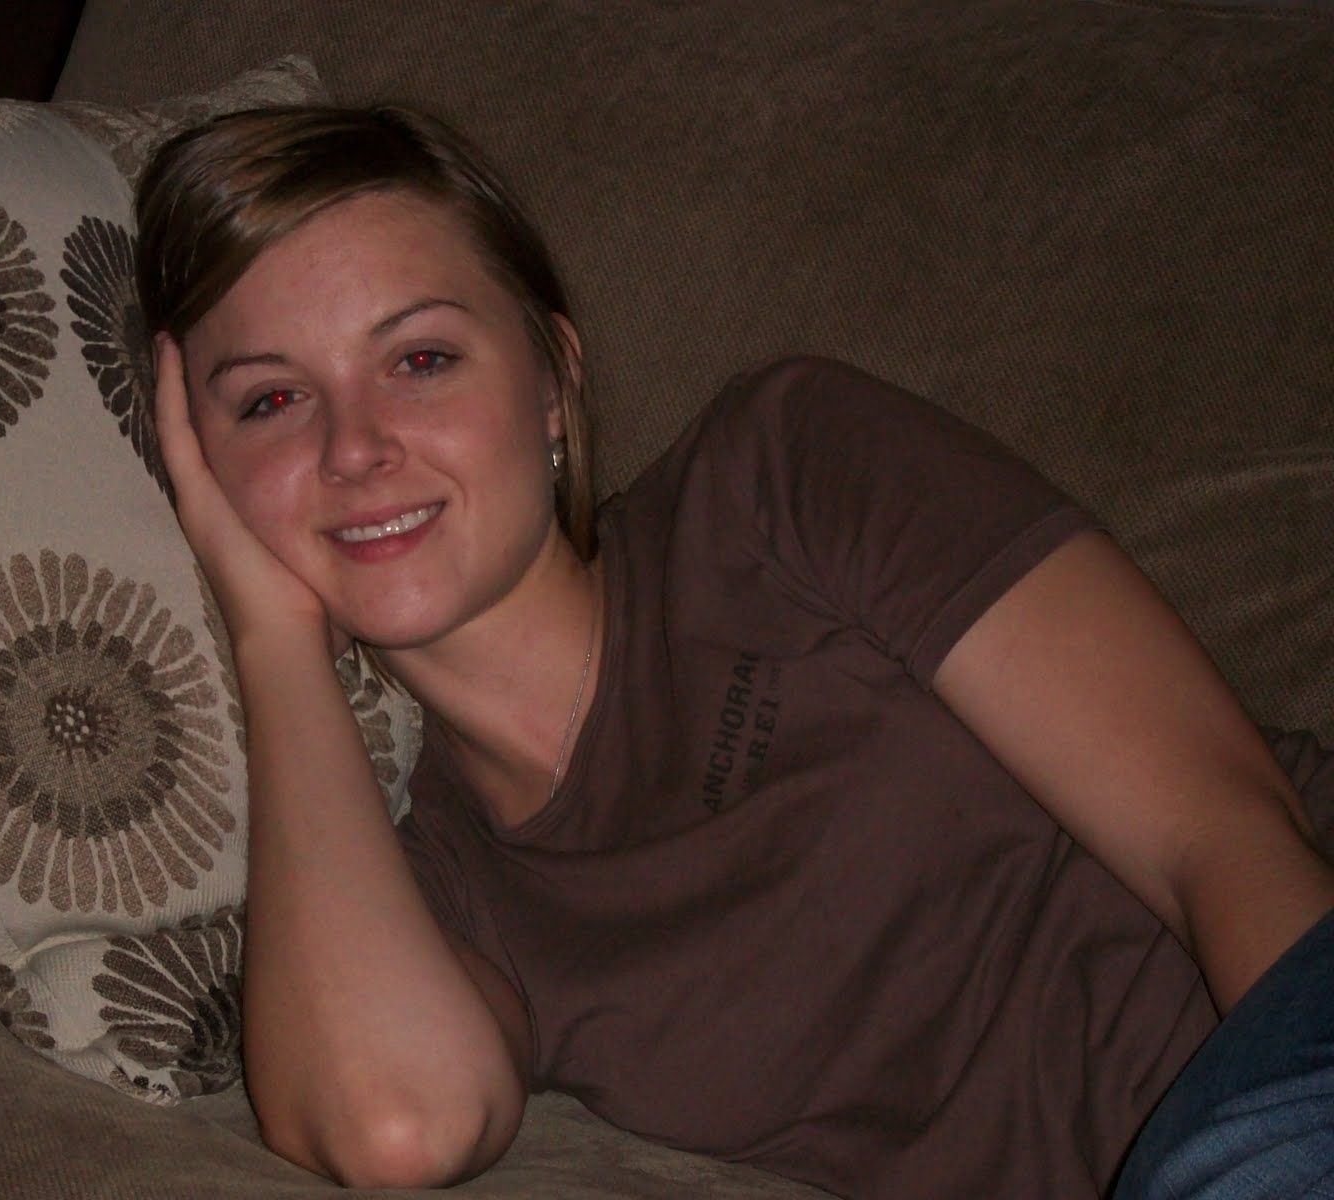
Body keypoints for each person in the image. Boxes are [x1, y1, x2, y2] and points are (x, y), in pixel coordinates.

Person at [134, 105, 1334, 1197]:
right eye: (271, 402)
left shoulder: (776, 477)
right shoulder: (448, 888)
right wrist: (272, 636)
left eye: (420, 360)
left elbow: (1222, 833)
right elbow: (395, 1131)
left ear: (553, 381)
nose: (354, 447)